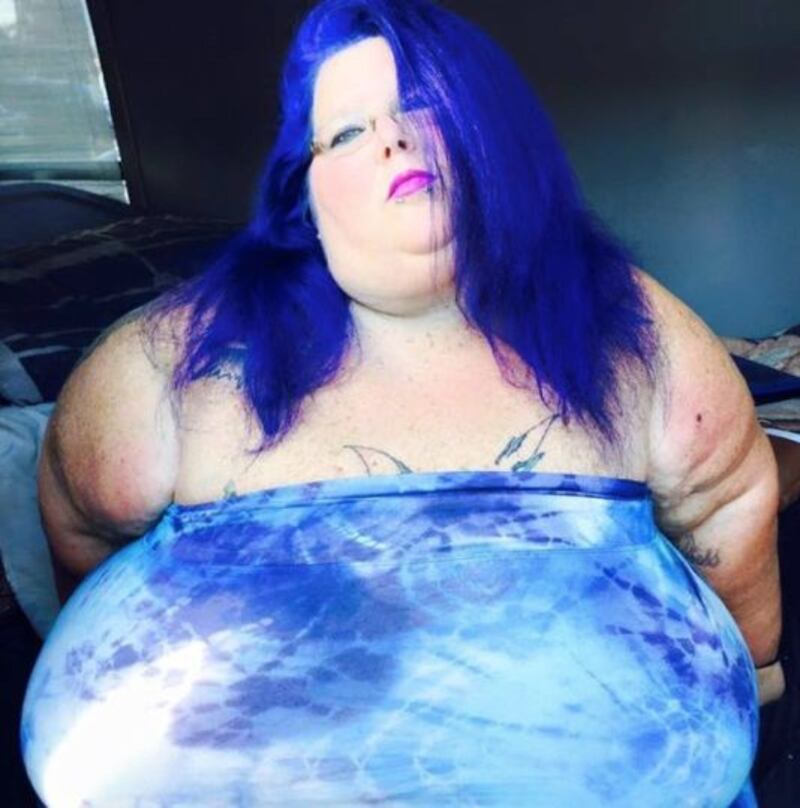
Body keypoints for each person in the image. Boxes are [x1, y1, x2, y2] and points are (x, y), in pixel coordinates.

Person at [21, 1, 781, 805]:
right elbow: (80, 521)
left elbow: (727, 499)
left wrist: (755, 669)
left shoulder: (636, 328)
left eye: (424, 106)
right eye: (348, 131)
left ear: (498, 137)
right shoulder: (177, 354)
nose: (392, 137)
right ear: (304, 197)